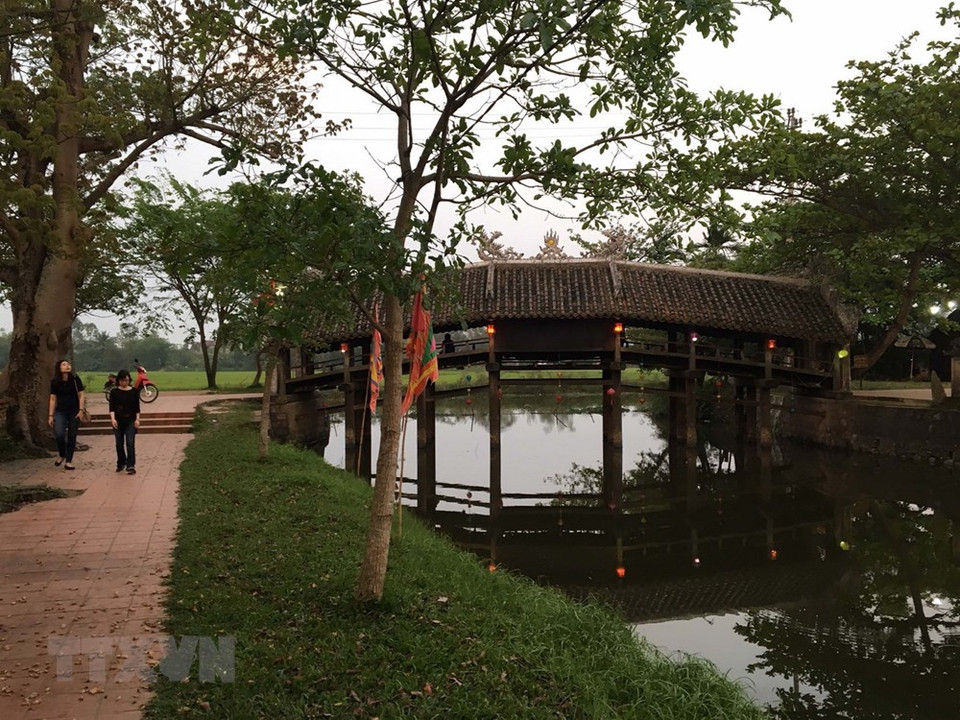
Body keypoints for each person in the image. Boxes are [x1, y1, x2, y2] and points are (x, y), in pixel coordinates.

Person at [48, 359, 85, 470]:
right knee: (59, 433)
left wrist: (81, 410)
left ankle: (69, 461)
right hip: (60, 411)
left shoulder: (75, 379)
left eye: (68, 364)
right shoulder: (55, 381)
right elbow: (53, 398)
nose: (67, 366)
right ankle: (62, 453)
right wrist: (50, 415)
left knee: (72, 435)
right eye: (64, 364)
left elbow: (81, 395)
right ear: (59, 368)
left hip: (74, 411)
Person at [109, 369, 141, 474]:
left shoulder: (134, 391)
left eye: (126, 380)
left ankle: (130, 465)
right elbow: (112, 407)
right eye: (122, 381)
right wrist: (113, 419)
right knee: (119, 443)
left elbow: (137, 407)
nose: (124, 383)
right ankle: (121, 462)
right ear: (118, 380)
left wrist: (137, 420)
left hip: (130, 420)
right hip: (118, 420)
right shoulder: (114, 392)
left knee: (130, 442)